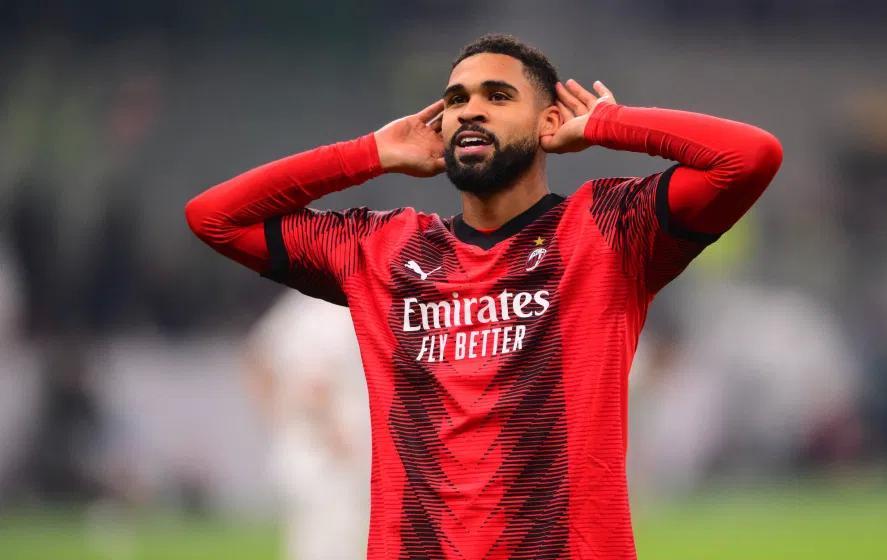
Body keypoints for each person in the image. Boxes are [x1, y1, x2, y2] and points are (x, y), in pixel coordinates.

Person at [186, 33, 782, 560]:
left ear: (549, 122)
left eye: (498, 96)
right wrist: (370, 154)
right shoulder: (381, 249)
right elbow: (214, 217)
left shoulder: (607, 229)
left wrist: (608, 124)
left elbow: (750, 157)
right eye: (456, 99)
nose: (470, 110)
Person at [245, 290, 371, 560]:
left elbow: (257, 359)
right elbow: (314, 385)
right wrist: (334, 435)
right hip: (333, 462)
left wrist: (280, 420)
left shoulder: (303, 303)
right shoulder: (332, 312)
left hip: (311, 455)